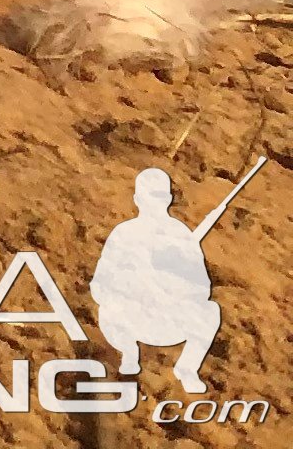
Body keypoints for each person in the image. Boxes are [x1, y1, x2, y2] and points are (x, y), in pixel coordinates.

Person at [93, 168, 225, 394]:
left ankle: (187, 369)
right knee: (108, 307)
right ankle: (128, 351)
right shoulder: (124, 233)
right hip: (130, 320)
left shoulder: (180, 236)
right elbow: (99, 286)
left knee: (210, 311)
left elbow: (202, 289)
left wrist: (171, 281)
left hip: (167, 321)